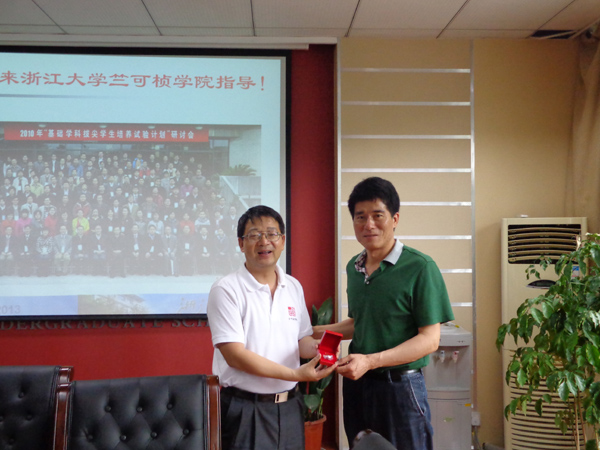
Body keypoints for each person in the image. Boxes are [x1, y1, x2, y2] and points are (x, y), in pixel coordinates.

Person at [313, 177, 454, 450]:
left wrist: (370, 361)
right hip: (357, 386)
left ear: (395, 219)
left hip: (401, 387)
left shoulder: (420, 266)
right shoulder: (354, 267)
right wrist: (312, 332)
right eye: (360, 217)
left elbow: (430, 340)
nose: (368, 225)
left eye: (378, 215)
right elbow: (359, 323)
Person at [207, 205, 337, 450]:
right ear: (241, 243)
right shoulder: (226, 289)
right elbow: (235, 356)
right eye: (254, 235)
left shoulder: (293, 286)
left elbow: (301, 341)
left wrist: (319, 348)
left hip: (290, 407)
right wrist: (295, 375)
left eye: (271, 234)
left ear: (282, 241)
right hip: (246, 409)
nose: (264, 241)